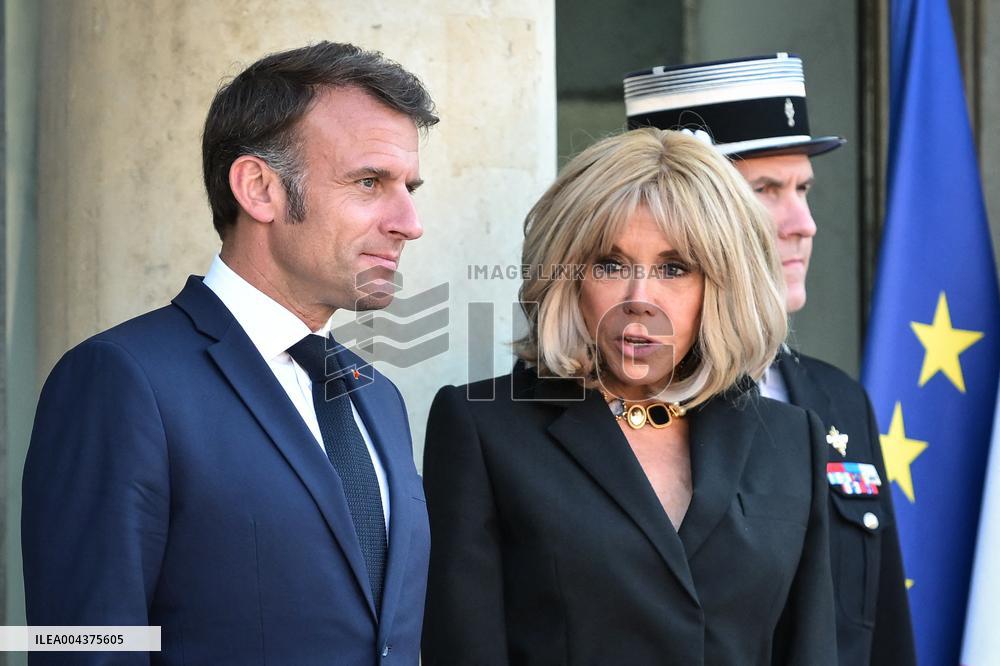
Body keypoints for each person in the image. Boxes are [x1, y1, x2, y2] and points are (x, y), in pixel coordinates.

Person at [22, 42, 437, 664]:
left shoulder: (378, 398)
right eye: (369, 182)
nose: (409, 221)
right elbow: (79, 644)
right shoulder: (121, 379)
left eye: (409, 187)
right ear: (259, 188)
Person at [421, 128, 837, 665]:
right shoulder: (483, 429)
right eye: (610, 265)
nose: (640, 299)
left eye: (674, 268)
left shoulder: (792, 439)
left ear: (723, 286)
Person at [624, 53, 915, 665]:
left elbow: (881, 631)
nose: (803, 223)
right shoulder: (605, 407)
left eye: (803, 189)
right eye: (765, 190)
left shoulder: (837, 399)